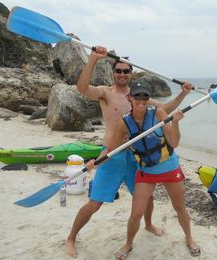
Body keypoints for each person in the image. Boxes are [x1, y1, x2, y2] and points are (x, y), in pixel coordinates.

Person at [66, 46, 192, 258]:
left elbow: (164, 109)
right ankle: (71, 237)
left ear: (130, 74)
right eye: (119, 71)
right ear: (113, 73)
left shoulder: (138, 96)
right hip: (112, 154)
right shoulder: (105, 93)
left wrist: (183, 93)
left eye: (126, 71)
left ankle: (149, 224)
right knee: (95, 202)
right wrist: (93, 60)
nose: (122, 74)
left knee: (147, 199)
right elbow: (82, 88)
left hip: (137, 157)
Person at [90, 79, 200, 259]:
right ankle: (128, 244)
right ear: (130, 98)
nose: (141, 101)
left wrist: (177, 123)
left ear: (149, 99)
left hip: (170, 168)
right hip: (146, 172)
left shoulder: (159, 114)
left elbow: (174, 142)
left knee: (180, 208)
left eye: (145, 97)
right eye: (137, 96)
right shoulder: (124, 123)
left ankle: (189, 238)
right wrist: (95, 161)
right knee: (136, 214)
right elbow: (112, 149)